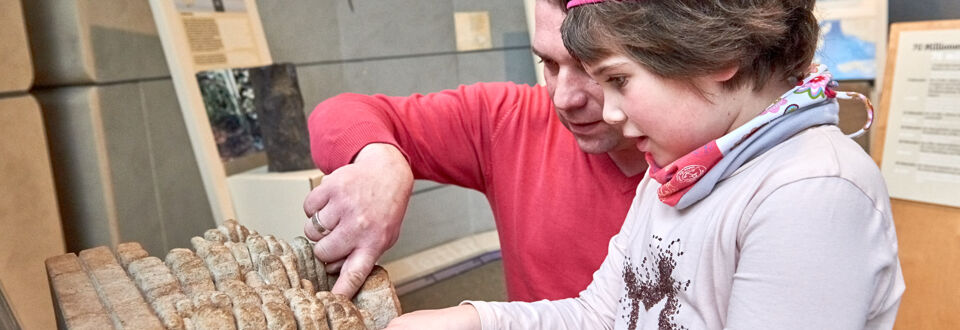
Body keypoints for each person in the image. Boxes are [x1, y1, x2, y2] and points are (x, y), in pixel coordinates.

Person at [384, 0, 905, 328]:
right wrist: (473, 320)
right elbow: (599, 316)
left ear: (713, 53)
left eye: (619, 80)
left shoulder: (812, 192)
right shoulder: (677, 170)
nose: (610, 111)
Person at [302, 0, 647, 301]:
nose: (564, 98)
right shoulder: (509, 119)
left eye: (591, 68)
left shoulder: (694, 165)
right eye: (550, 65)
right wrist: (379, 162)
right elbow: (336, 114)